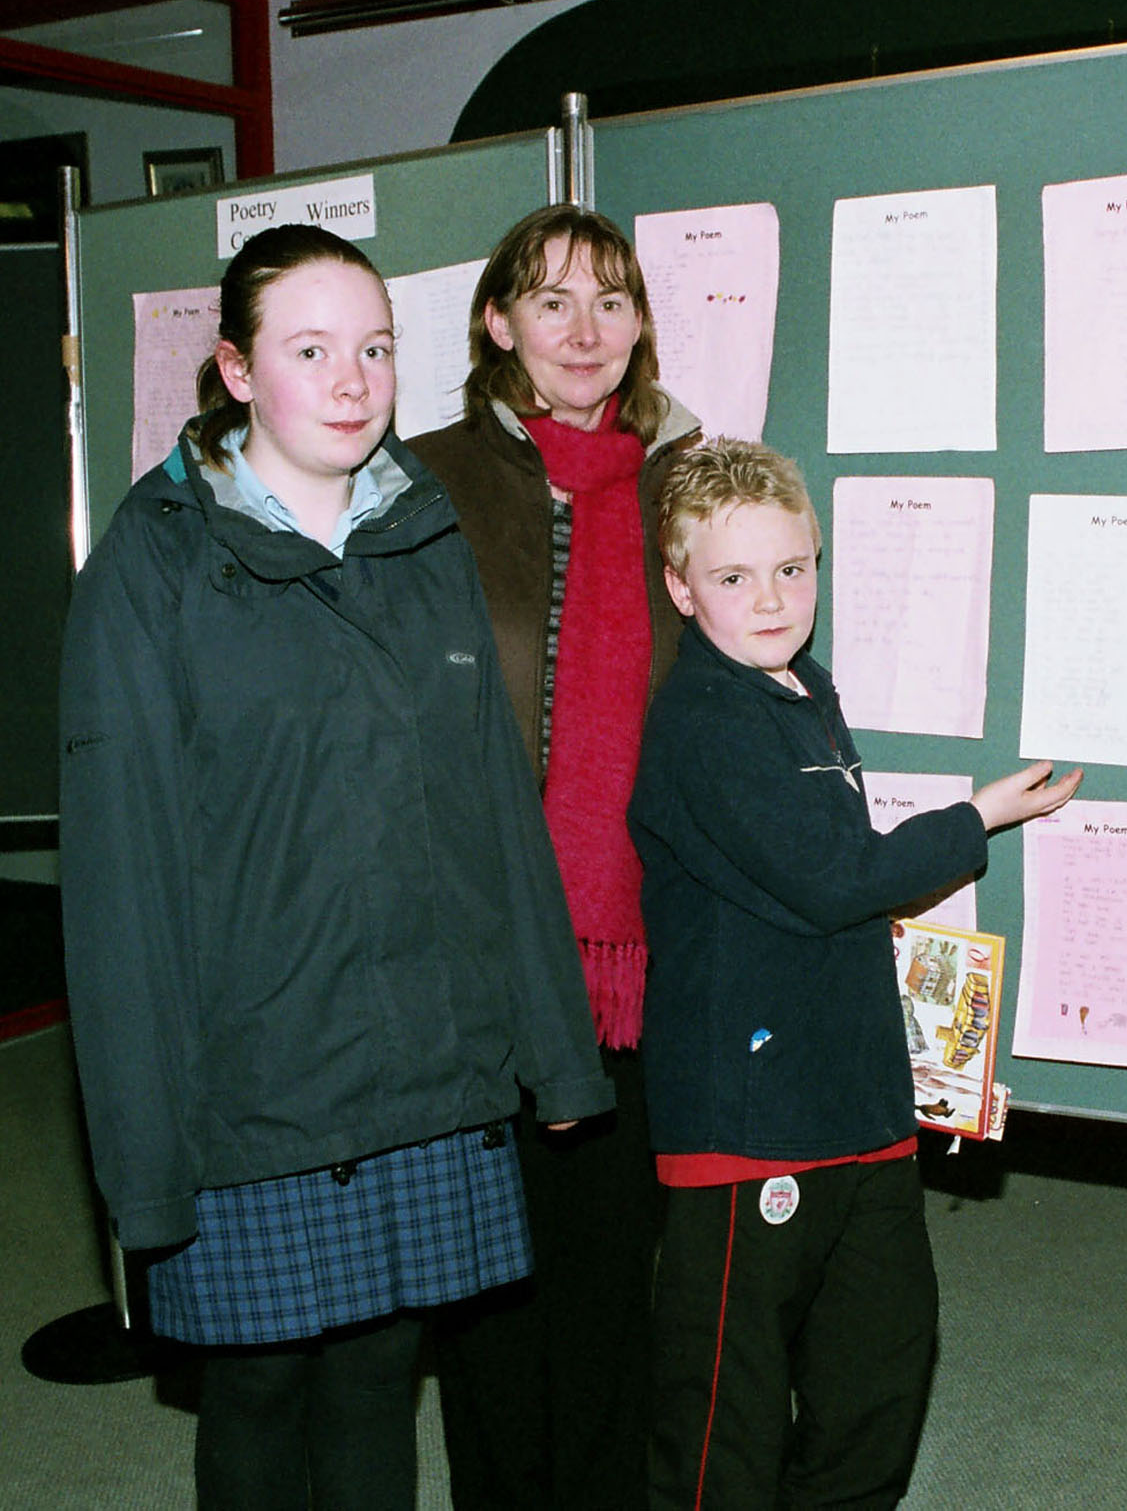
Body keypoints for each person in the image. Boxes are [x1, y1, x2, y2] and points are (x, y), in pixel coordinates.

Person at [57, 224, 613, 1511]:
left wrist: (556, 1046)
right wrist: (139, 1163)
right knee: (257, 1389)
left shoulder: (423, 536)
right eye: (313, 350)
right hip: (251, 1079)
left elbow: (497, 821)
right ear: (239, 371)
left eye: (373, 347)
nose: (355, 379)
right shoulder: (150, 568)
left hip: (425, 1062)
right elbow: (120, 894)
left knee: (377, 1376)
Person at [627, 439, 1083, 1509]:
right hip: (749, 1127)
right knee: (724, 1423)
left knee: (877, 1375)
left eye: (792, 567)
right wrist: (977, 816)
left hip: (855, 1104)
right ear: (681, 587)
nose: (772, 596)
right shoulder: (704, 721)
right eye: (734, 577)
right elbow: (836, 882)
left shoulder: (803, 688)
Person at [409, 203, 700, 1510]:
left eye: (614, 302)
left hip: (645, 953)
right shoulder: (423, 482)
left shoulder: (688, 485)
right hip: (478, 948)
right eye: (553, 301)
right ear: (497, 320)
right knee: (488, 1290)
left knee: (611, 1280)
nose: (586, 332)